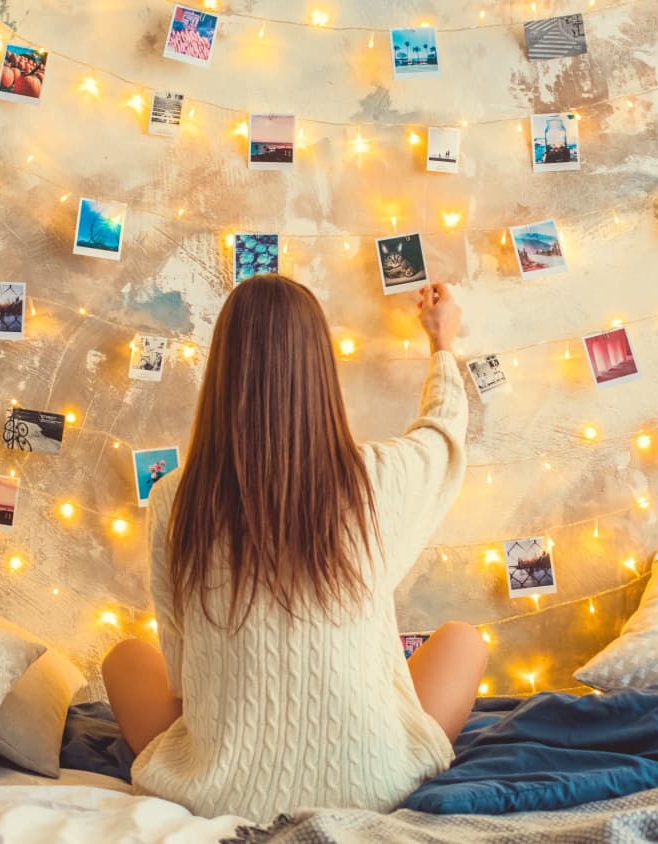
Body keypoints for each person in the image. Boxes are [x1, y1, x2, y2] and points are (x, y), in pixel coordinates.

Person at [102, 274, 487, 822]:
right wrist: (441, 340)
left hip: (219, 790)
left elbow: (183, 675)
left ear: (222, 372)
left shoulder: (174, 497)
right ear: (319, 370)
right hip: (374, 781)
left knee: (124, 658)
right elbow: (443, 434)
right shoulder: (376, 479)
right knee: (464, 641)